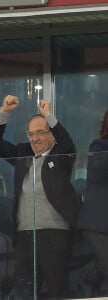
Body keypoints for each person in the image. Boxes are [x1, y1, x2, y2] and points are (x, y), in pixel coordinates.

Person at [0, 95, 79, 299]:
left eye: (40, 133)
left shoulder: (61, 155)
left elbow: (67, 142)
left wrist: (48, 115)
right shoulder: (23, 154)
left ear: (51, 135)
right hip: (25, 237)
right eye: (31, 134)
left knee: (57, 292)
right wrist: (4, 112)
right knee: (25, 294)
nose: (35, 138)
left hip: (55, 235)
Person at [78, 109, 108, 294]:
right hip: (98, 225)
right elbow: (98, 166)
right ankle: (86, 277)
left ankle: (88, 276)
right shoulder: (98, 146)